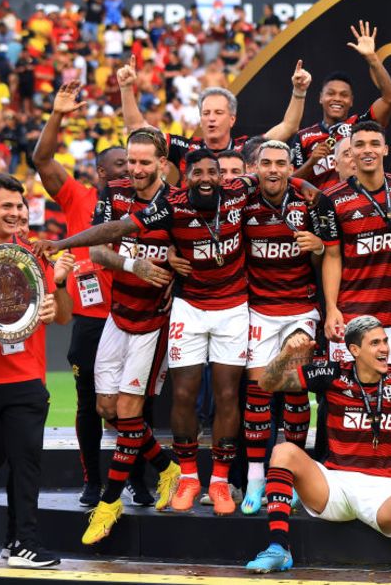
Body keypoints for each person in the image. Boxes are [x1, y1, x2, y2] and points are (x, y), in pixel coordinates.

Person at [37, 150, 261, 516]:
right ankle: (187, 476)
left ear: (222, 176)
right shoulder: (170, 205)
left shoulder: (238, 191)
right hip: (187, 306)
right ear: (183, 177)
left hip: (233, 306)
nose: (206, 178)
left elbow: (275, 173)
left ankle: (219, 482)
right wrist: (63, 244)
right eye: (198, 172)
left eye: (212, 172)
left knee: (226, 395)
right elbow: (116, 229)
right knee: (184, 394)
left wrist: (301, 181)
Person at [245, 315, 391, 576]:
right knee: (284, 452)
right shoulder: (331, 373)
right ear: (355, 350)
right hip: (334, 484)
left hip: (383, 488)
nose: (385, 349)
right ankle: (279, 548)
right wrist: (287, 354)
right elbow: (267, 384)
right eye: (375, 343)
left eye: (386, 342)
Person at [78, 128, 181, 544]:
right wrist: (134, 265)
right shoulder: (114, 191)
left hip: (154, 322)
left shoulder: (175, 201)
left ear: (161, 162)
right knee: (107, 408)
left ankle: (109, 503)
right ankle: (167, 467)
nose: (136, 170)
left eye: (144, 162)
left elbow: (188, 253)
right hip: (118, 313)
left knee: (128, 410)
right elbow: (98, 250)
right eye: (132, 161)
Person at [30, 80, 124, 507]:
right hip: (89, 319)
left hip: (133, 316)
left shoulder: (148, 206)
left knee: (132, 406)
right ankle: (92, 481)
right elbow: (42, 159)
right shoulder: (78, 197)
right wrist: (58, 115)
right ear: (102, 173)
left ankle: (136, 480)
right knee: (87, 406)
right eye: (119, 166)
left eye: (133, 165)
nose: (128, 171)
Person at [0, 174, 73, 568]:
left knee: (27, 466)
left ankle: (22, 544)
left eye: (21, 206)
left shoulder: (36, 254)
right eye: (7, 206)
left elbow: (63, 316)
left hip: (27, 379)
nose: (18, 213)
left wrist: (60, 291)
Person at [239, 140, 334, 515]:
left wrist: (319, 246)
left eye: (281, 163)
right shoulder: (242, 202)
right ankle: (255, 477)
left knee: (296, 390)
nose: (274, 169)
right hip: (259, 310)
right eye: (266, 163)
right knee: (259, 391)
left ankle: (292, 474)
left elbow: (332, 248)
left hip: (300, 310)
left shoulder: (308, 202)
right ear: (256, 167)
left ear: (291, 168)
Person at [120, 56, 309, 180]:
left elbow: (289, 126)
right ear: (200, 119)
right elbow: (138, 128)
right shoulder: (184, 148)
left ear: (232, 119)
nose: (211, 119)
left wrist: (299, 92)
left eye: (218, 113)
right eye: (206, 113)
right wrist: (126, 88)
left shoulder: (247, 147)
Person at [324, 122, 391, 365]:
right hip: (352, 313)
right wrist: (332, 308)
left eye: (375, 144)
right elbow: (332, 256)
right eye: (360, 144)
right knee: (347, 397)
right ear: (351, 152)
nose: (367, 150)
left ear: (385, 149)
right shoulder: (332, 199)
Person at [292, 21, 391, 191]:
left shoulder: (360, 124)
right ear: (320, 98)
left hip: (362, 203)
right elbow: (289, 183)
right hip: (322, 210)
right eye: (331, 93)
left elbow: (390, 98)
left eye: (344, 95)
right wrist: (312, 162)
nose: (337, 99)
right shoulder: (304, 137)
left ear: (351, 101)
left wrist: (372, 58)